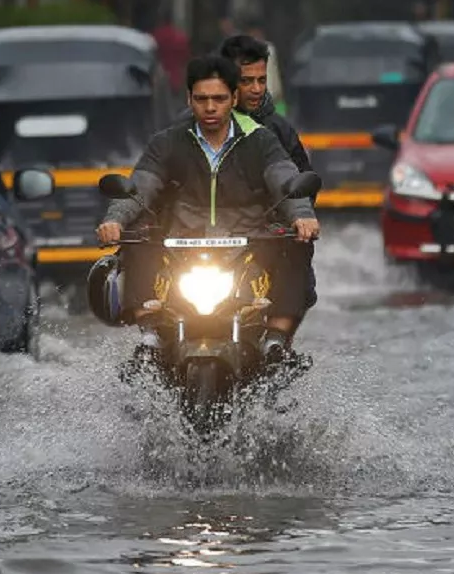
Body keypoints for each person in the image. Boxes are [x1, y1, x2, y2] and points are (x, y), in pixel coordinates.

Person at [96, 55, 320, 359]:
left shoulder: (261, 141)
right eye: (202, 99)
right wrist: (115, 221)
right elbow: (141, 188)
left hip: (249, 248)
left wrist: (303, 217)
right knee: (138, 238)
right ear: (189, 99)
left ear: (234, 98)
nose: (210, 107)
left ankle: (276, 341)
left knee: (296, 244)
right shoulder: (167, 143)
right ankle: (149, 337)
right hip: (180, 250)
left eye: (219, 98)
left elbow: (285, 180)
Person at [219, 33, 319, 328]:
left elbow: (298, 182)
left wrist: (296, 218)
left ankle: (278, 338)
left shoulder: (279, 131)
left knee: (295, 251)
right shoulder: (189, 127)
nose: (255, 89)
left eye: (261, 80)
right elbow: (165, 177)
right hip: (203, 240)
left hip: (264, 240)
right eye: (246, 80)